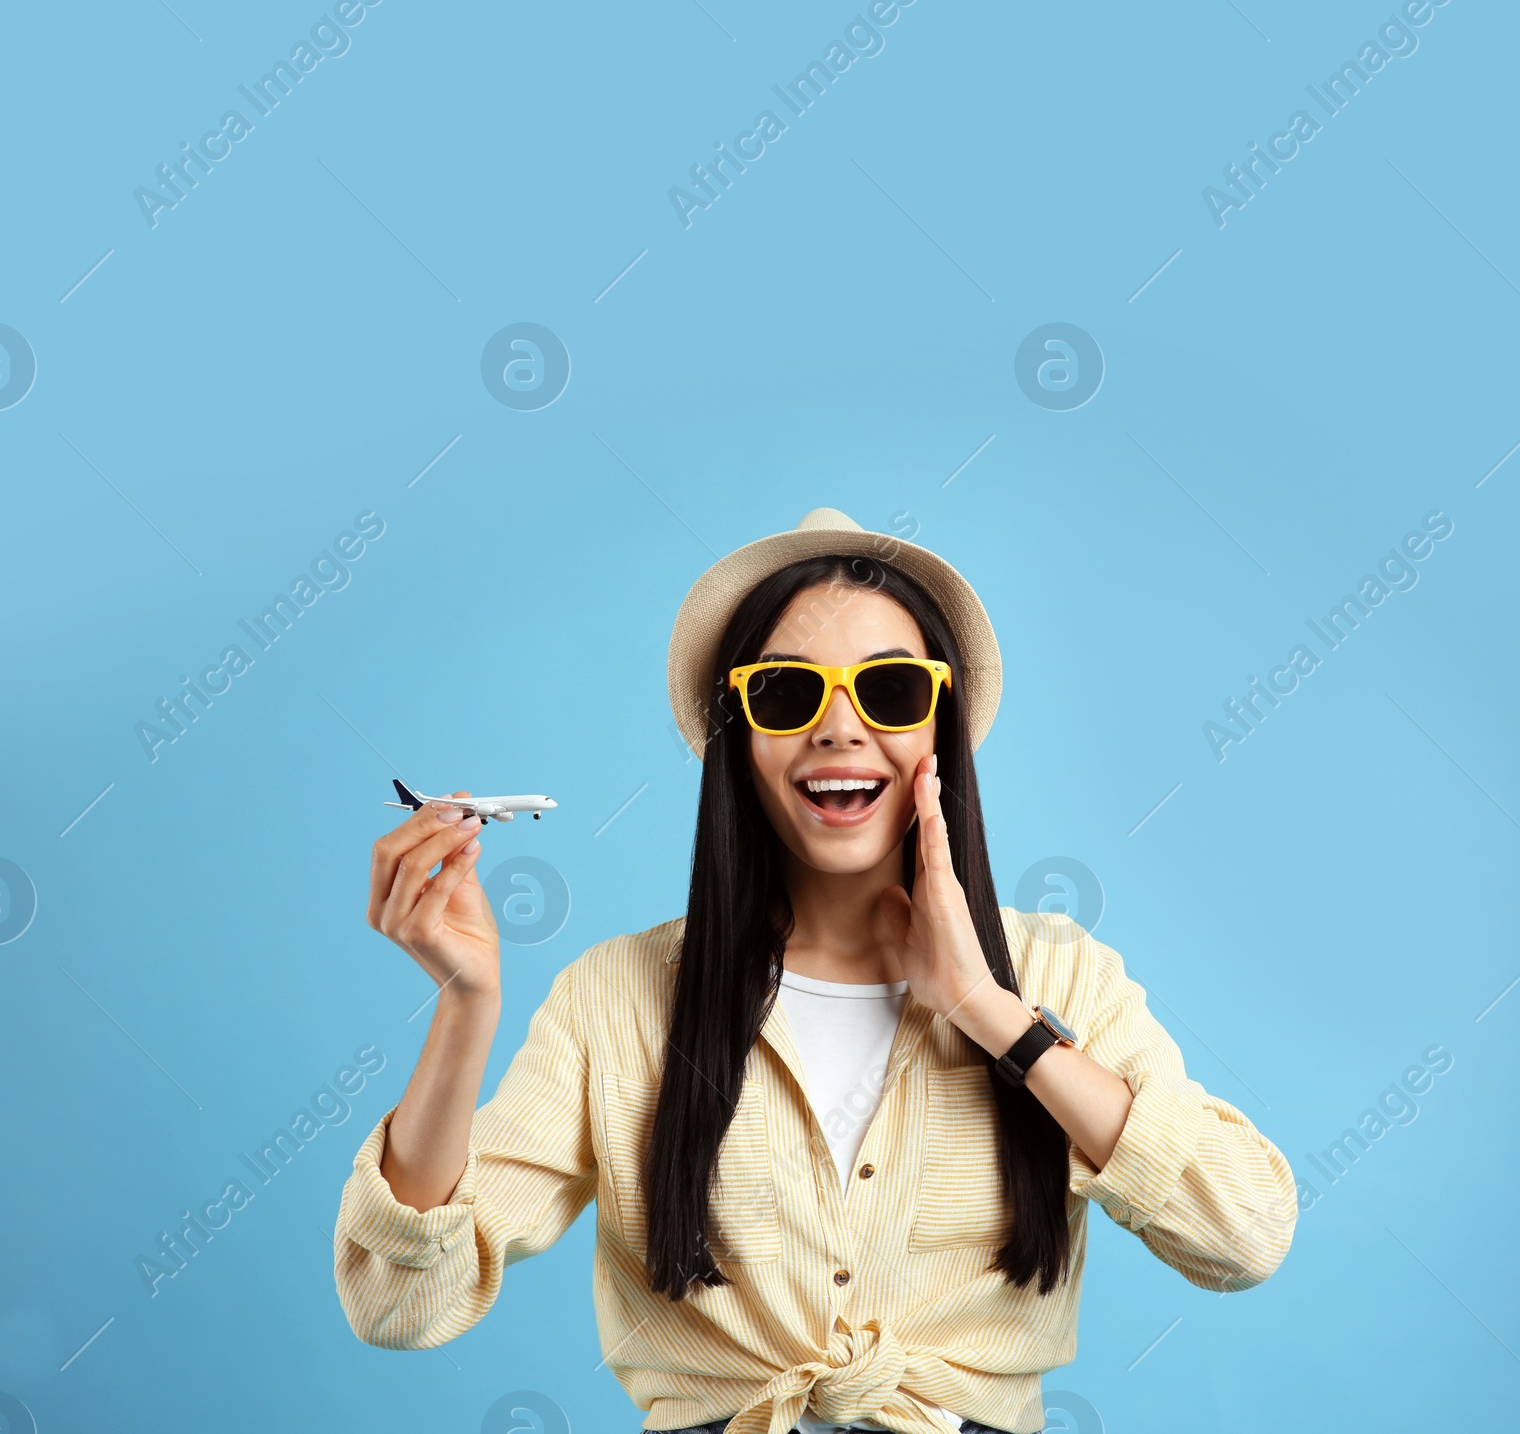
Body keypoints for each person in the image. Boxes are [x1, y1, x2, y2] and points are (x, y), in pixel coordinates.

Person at [333, 507, 1298, 1434]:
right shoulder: (615, 998)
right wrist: (465, 1003)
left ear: (940, 727)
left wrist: (990, 1010)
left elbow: (1245, 1234)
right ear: (740, 738)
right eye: (790, 695)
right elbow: (400, 1305)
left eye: (890, 691)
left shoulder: (1059, 972)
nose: (839, 729)